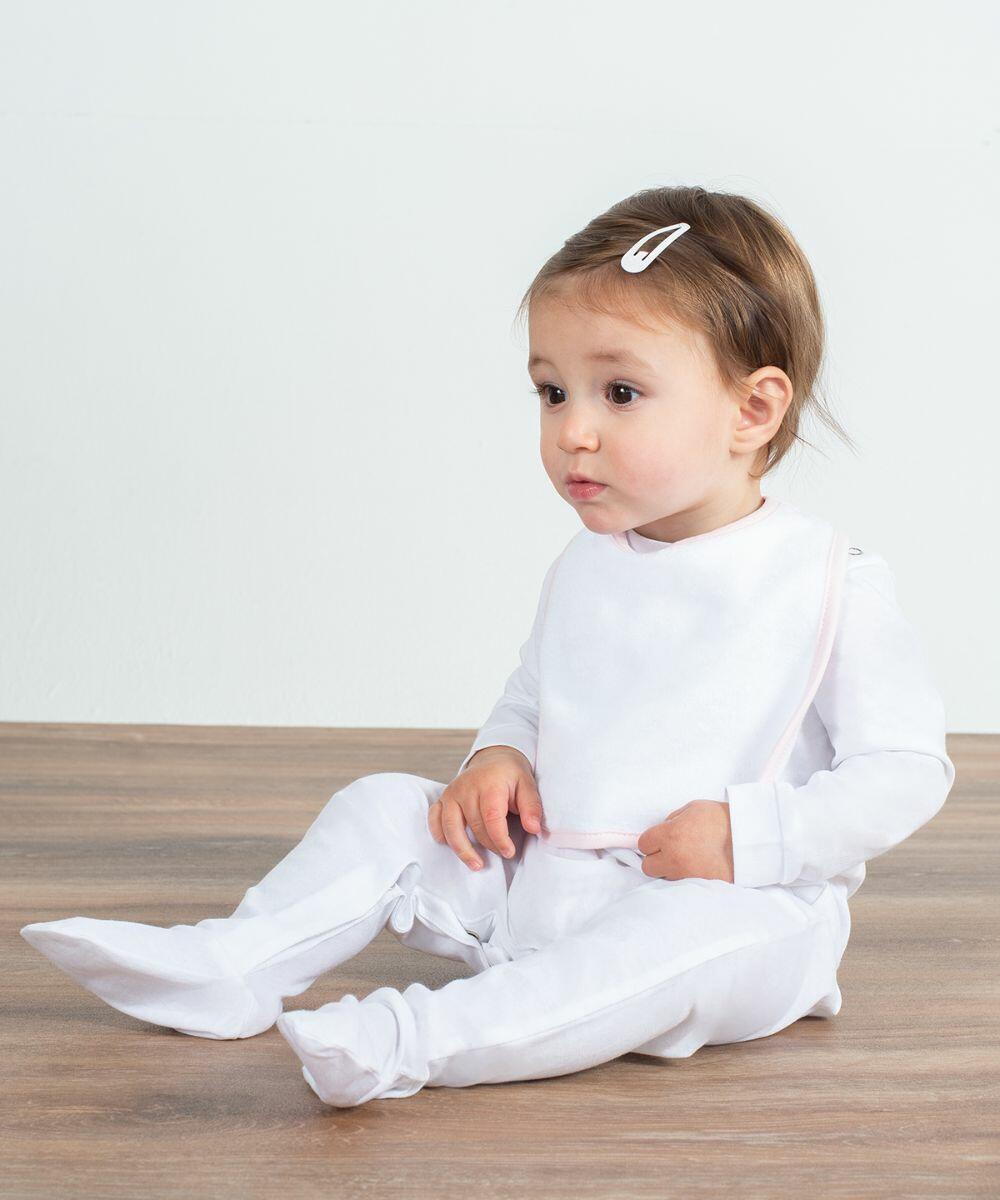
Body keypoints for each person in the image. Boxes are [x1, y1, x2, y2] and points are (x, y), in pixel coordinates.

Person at [20, 185, 955, 1108]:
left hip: (738, 907)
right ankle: (235, 961)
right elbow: (539, 691)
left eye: (619, 392)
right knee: (385, 806)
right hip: (548, 886)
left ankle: (414, 1037)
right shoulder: (591, 563)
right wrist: (499, 754)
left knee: (675, 945)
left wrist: (753, 838)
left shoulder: (828, 582)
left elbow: (905, 771)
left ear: (753, 411)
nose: (570, 430)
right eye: (551, 391)